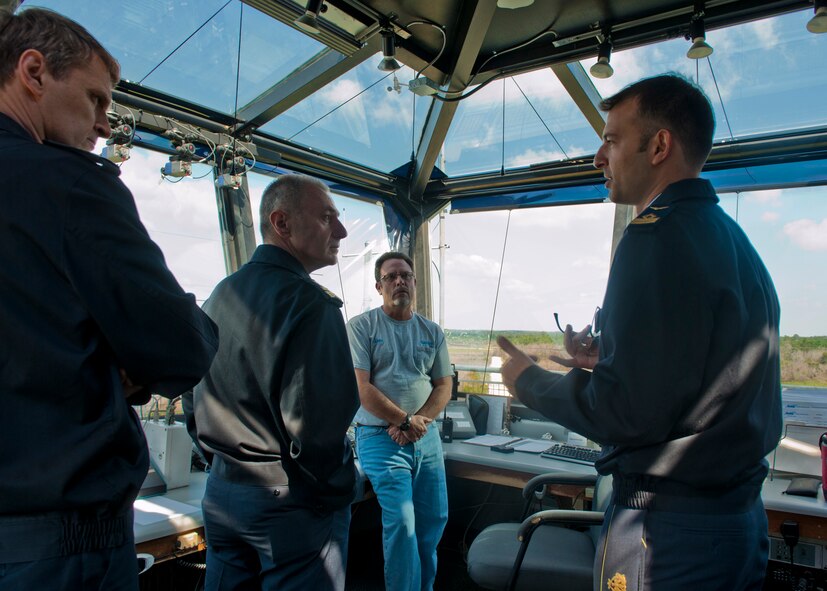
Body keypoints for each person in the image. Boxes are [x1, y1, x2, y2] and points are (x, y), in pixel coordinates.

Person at [497, 74, 781, 591]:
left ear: (659, 145)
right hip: (735, 523)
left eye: (610, 139)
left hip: (668, 532)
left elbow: (626, 412)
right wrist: (610, 359)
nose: (597, 157)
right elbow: (694, 370)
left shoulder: (653, 239)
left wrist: (526, 380)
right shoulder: (734, 241)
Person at [0, 8, 219, 591]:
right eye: (95, 100)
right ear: (33, 71)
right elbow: (182, 348)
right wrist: (116, 364)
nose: (103, 125)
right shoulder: (68, 184)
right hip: (58, 545)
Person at [184, 174, 359, 591]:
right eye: (326, 217)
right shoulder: (312, 305)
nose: (342, 230)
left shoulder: (221, 295)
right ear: (281, 223)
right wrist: (338, 492)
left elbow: (192, 396)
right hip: (290, 504)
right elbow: (317, 428)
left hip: (223, 492)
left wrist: (219, 464)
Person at [347, 251, 453, 591]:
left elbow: (443, 385)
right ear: (379, 286)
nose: (399, 281)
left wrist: (417, 421)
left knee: (432, 523)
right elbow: (363, 388)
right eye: (391, 277)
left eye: (405, 275)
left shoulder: (431, 331)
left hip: (426, 438)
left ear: (414, 283)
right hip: (381, 439)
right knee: (404, 526)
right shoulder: (361, 327)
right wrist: (404, 420)